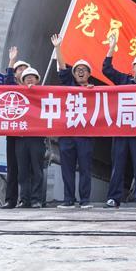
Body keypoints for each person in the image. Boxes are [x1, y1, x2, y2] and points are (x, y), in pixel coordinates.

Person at [102, 33, 136, 208]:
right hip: (122, 129)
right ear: (132, 68)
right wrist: (111, 47)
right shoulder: (123, 79)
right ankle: (114, 197)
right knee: (118, 164)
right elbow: (106, 70)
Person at [50, 34, 95, 209]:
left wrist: (92, 91)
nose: (80, 72)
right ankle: (69, 199)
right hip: (67, 134)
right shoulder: (68, 84)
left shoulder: (96, 92)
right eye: (77, 70)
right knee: (67, 168)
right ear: (74, 74)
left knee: (85, 168)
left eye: (84, 70)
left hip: (85, 136)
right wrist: (57, 47)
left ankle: (85, 200)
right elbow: (62, 67)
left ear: (89, 74)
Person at [14, 67, 46, 208]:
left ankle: (36, 199)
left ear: (37, 79)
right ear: (22, 80)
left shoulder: (44, 94)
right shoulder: (16, 94)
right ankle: (24, 199)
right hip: (21, 137)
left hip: (37, 138)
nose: (30, 79)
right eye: (27, 77)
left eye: (32, 77)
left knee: (37, 170)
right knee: (23, 171)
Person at [2, 47, 29, 209]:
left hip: (29, 134)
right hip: (13, 132)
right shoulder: (12, 87)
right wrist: (12, 60)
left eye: (25, 69)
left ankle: (26, 199)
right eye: (19, 69)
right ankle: (10, 199)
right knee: (13, 167)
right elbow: (8, 81)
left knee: (27, 169)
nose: (22, 72)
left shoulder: (35, 89)